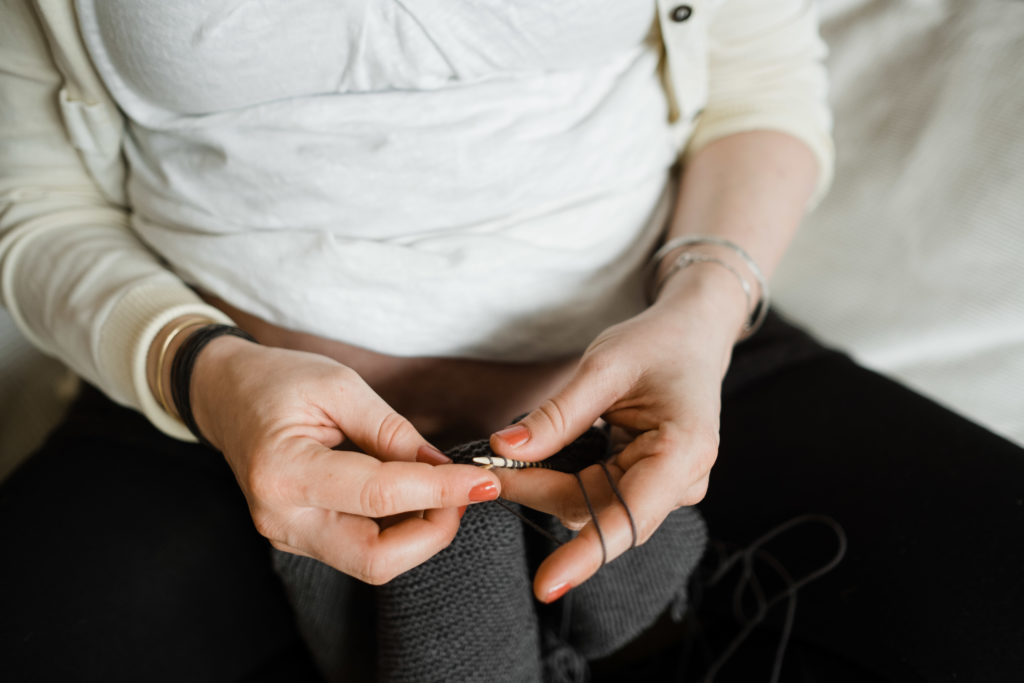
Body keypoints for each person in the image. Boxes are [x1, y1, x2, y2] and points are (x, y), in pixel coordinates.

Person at [2, 1, 1022, 682]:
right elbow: (35, 202)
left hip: (683, 374)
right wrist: (195, 367)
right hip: (212, 412)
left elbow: (759, 80)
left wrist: (706, 309)